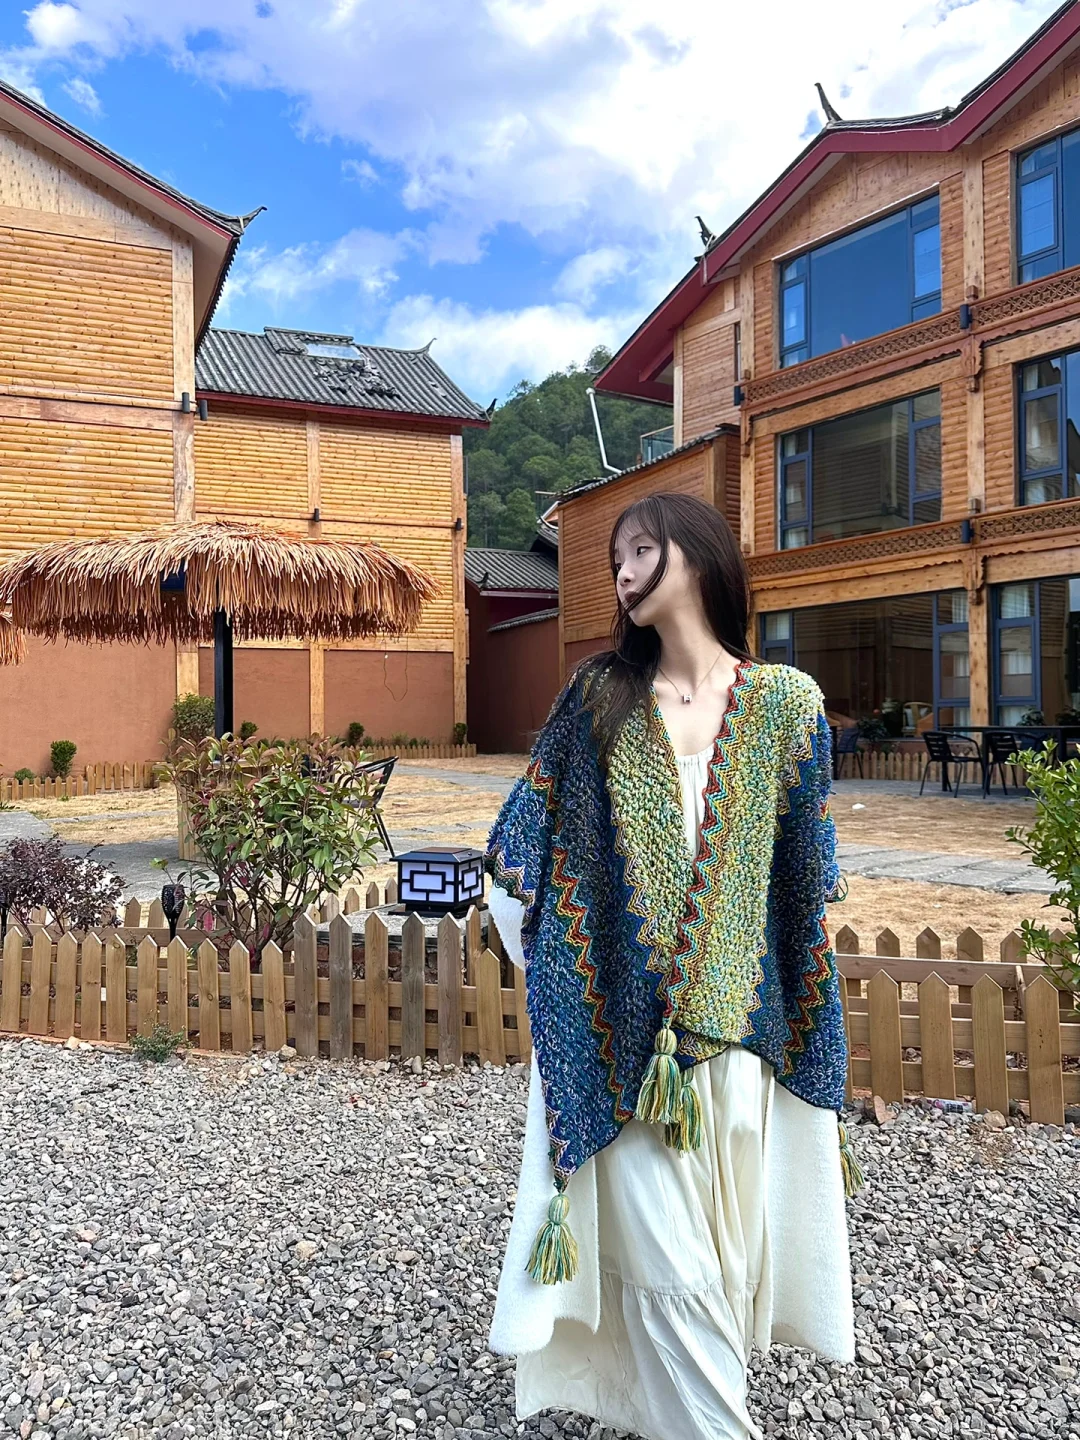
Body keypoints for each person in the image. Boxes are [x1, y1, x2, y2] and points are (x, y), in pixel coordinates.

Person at [482, 491, 863, 1440]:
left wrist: (798, 1022)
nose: (622, 572)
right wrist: (567, 983)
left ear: (697, 554)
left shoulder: (786, 708)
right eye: (615, 558)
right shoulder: (599, 700)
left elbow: (802, 892)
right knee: (675, 1272)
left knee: (721, 1269)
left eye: (642, 550)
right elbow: (523, 852)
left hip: (740, 1052)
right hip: (627, 1048)